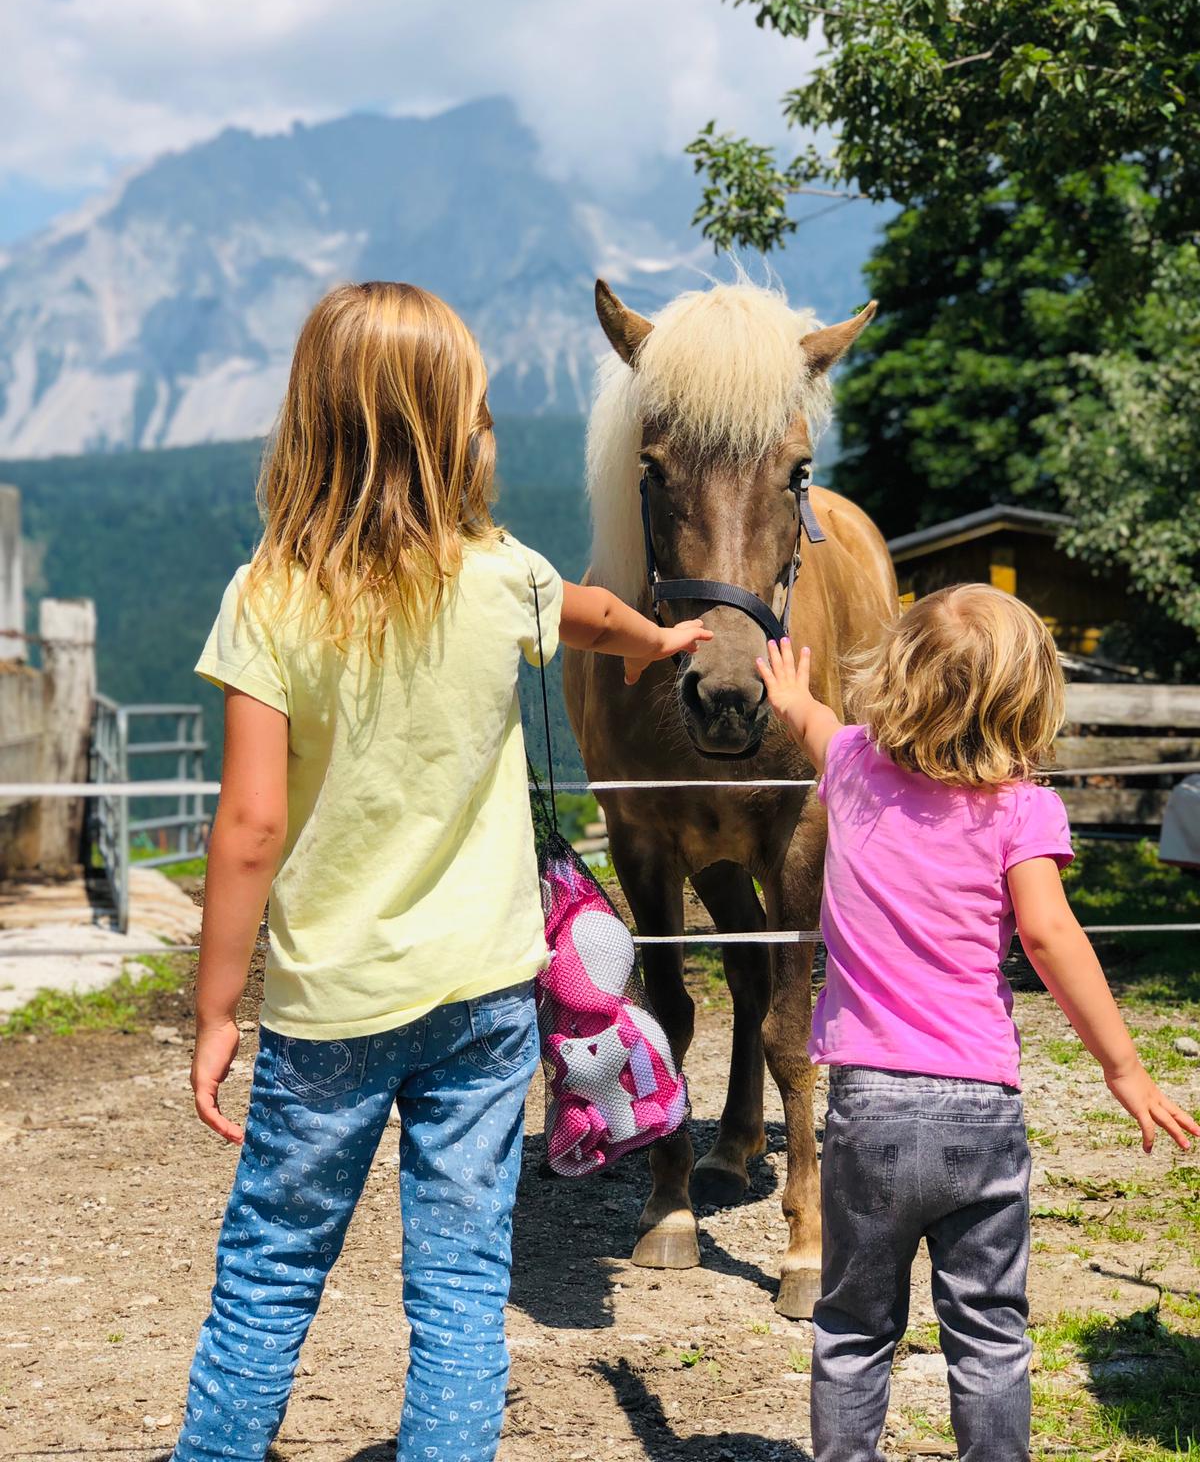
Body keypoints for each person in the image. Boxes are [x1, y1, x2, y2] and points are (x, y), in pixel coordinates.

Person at [170, 281, 711, 1462]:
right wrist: (659, 639)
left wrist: (215, 1008)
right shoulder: (501, 573)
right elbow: (594, 611)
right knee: (462, 1282)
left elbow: (251, 825)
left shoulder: (270, 596)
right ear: (451, 432)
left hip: (332, 1009)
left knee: (271, 1271)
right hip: (484, 996)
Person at [755, 587, 1197, 1462]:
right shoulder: (1023, 809)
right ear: (1026, 697)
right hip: (978, 1109)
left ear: (898, 676)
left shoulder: (851, 769)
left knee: (852, 1328)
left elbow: (815, 724)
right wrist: (1123, 1067)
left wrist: (790, 695)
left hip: (869, 1106)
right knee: (991, 1333)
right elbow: (1049, 935)